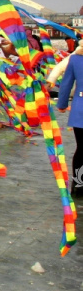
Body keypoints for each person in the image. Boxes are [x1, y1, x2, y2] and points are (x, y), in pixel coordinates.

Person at [57, 43, 83, 197]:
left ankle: (79, 184)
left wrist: (62, 104)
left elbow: (66, 84)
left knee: (81, 148)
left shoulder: (74, 59)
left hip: (80, 110)